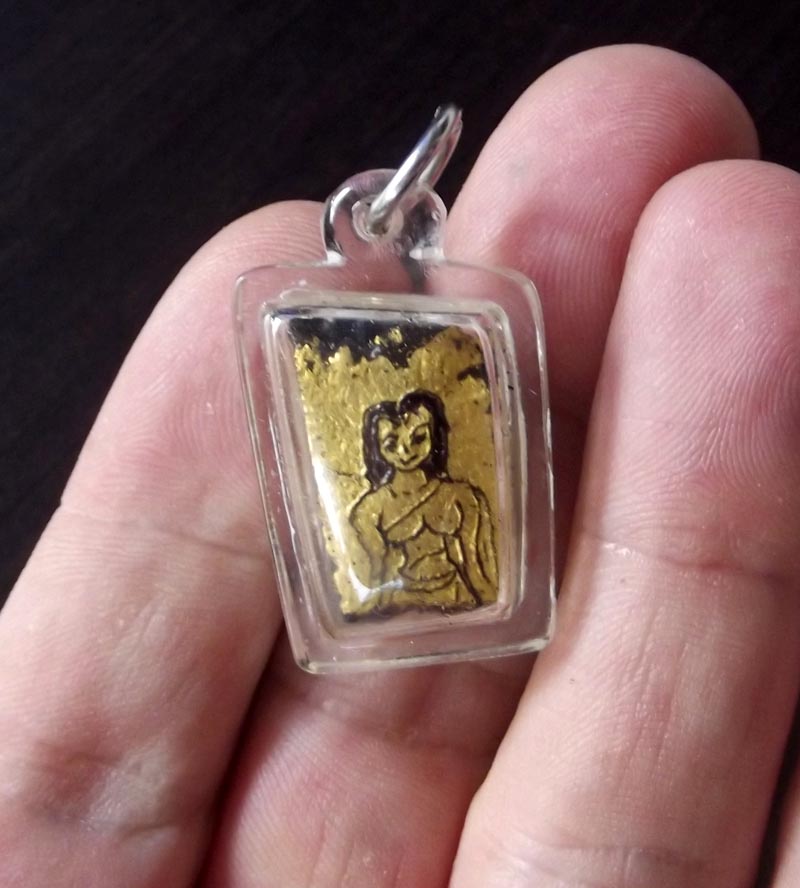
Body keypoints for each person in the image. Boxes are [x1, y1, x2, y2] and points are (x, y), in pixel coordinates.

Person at [2, 44, 800, 888]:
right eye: (398, 436)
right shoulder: (365, 511)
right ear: (378, 443)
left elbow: (474, 565)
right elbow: (375, 567)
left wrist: (457, 564)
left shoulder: (465, 494)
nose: (412, 446)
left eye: (425, 433)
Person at [350, 389, 497, 611]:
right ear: (377, 448)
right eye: (391, 444)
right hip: (400, 607)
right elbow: (377, 579)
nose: (405, 451)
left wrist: (491, 611)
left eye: (418, 438)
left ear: (434, 436)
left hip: (458, 598)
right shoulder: (370, 508)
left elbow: (475, 568)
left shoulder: (461, 497)